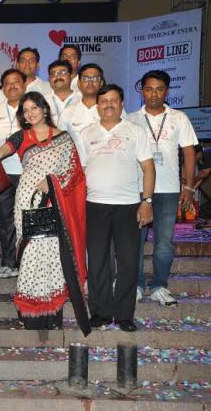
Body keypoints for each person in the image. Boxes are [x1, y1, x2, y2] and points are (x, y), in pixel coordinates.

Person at [0, 91, 90, 334]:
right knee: (31, 252)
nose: (30, 113)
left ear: (44, 109)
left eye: (34, 108)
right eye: (25, 111)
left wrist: (53, 181)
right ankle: (30, 310)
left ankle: (51, 309)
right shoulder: (21, 136)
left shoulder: (63, 137)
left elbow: (74, 172)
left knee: (51, 253)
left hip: (53, 201)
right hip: (27, 200)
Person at [81, 84, 155, 332]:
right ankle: (100, 313)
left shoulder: (135, 131)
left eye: (114, 100)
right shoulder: (87, 133)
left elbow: (148, 167)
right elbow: (81, 170)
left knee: (128, 261)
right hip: (94, 205)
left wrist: (147, 202)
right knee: (97, 262)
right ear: (97, 105)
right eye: (104, 101)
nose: (109, 105)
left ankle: (124, 315)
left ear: (122, 103)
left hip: (128, 205)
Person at [130, 70, 198, 306]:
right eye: (149, 89)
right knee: (135, 242)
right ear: (142, 91)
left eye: (159, 89)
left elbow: (189, 153)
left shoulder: (179, 118)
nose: (154, 94)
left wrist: (188, 187)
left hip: (168, 190)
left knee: (163, 243)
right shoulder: (131, 119)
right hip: (137, 190)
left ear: (167, 91)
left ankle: (159, 286)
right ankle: (137, 285)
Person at [0, 69, 27, 279]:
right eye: (7, 83)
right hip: (4, 171)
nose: (12, 86)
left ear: (24, 84)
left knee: (27, 219)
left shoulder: (31, 107)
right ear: (3, 88)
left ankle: (28, 262)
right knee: (5, 219)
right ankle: (9, 262)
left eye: (16, 82)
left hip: (28, 172)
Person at [59, 63, 105, 162]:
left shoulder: (111, 110)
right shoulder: (68, 112)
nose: (90, 82)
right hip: (77, 167)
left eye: (95, 78)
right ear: (79, 84)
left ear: (101, 83)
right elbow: (60, 144)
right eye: (85, 78)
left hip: (104, 165)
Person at [46, 60, 80, 127]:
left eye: (62, 72)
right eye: (53, 74)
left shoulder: (82, 99)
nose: (58, 77)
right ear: (49, 79)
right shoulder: (43, 101)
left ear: (71, 76)